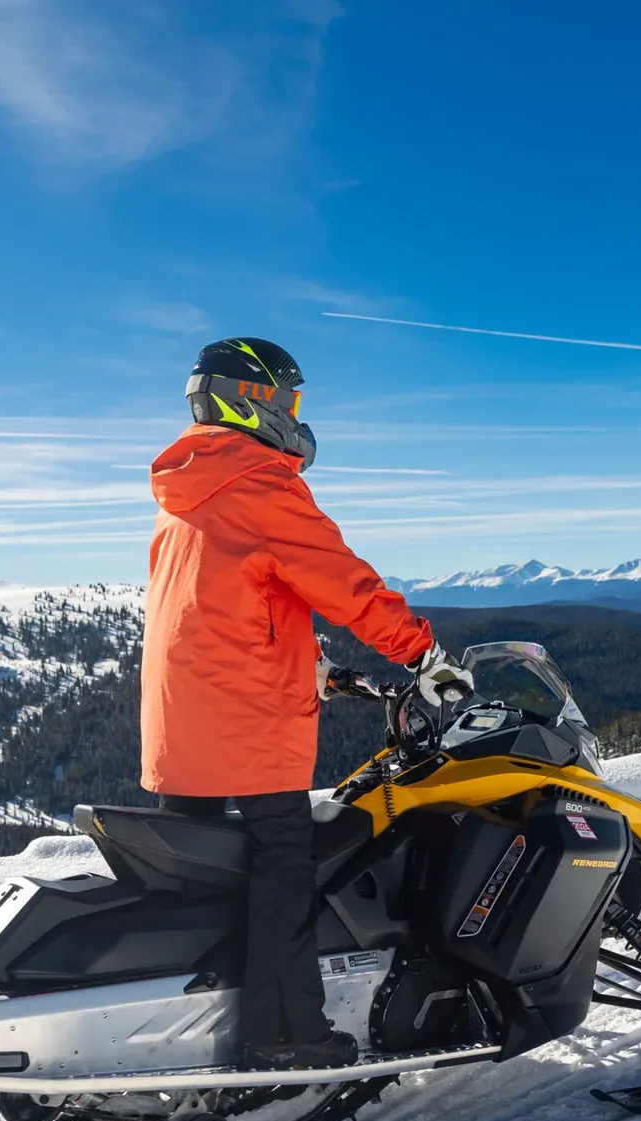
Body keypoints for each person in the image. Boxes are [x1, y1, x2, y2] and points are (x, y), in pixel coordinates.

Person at [141, 337, 472, 1070]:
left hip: (185, 713)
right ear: (247, 401)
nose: (295, 417)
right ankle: (284, 1036)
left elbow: (222, 601)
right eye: (287, 401)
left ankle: (169, 1018)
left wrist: (307, 659)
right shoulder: (259, 482)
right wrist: (421, 655)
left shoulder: (186, 489)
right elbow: (342, 582)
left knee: (198, 877)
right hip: (248, 717)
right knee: (285, 869)